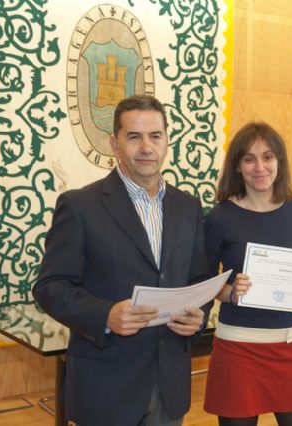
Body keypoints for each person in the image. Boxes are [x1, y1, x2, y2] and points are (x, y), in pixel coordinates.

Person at [33, 95, 210, 426]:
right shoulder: (80, 205)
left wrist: (198, 320)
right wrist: (105, 315)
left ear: (167, 141)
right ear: (114, 143)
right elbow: (50, 286)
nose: (146, 147)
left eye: (155, 136)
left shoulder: (188, 207)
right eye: (134, 137)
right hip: (106, 387)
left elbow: (199, 279)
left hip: (170, 385)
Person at [202, 122, 292, 426]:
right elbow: (205, 283)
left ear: (279, 161)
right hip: (237, 349)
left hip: (289, 345)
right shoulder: (219, 217)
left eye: (268, 157)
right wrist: (231, 292)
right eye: (249, 159)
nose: (259, 167)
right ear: (237, 166)